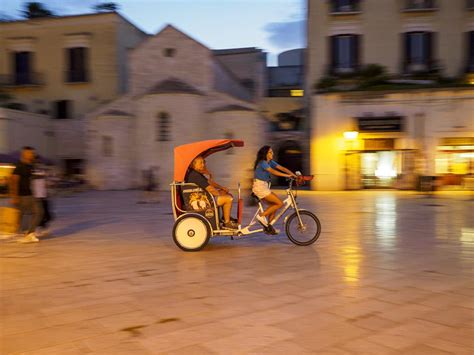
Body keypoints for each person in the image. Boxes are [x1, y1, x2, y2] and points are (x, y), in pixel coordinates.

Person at [252, 145, 296, 234]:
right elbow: (273, 171)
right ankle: (261, 216)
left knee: (274, 204)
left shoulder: (270, 162)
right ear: (266, 154)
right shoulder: (263, 162)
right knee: (279, 203)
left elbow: (282, 168)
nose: (273, 153)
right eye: (270, 152)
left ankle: (268, 227)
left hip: (264, 186)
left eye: (272, 152)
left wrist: (294, 175)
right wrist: (287, 176)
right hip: (260, 187)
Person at [186, 156, 238, 229]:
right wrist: (219, 194)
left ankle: (225, 216)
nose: (203, 165)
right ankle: (227, 223)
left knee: (225, 193)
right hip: (204, 200)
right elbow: (210, 189)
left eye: (203, 162)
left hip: (204, 196)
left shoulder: (196, 173)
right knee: (228, 198)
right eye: (200, 163)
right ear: (193, 164)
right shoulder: (195, 175)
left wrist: (221, 188)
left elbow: (209, 183)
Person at [9, 146, 44, 243]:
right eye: (30, 153)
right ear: (24, 154)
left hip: (32, 194)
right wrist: (14, 196)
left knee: (36, 212)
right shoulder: (19, 166)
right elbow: (14, 181)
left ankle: (29, 233)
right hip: (24, 195)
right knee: (36, 212)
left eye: (33, 153)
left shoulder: (31, 166)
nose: (32, 155)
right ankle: (28, 233)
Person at [32, 165, 53, 236]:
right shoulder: (34, 173)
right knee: (40, 213)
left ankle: (43, 228)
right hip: (37, 197)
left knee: (46, 213)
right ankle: (37, 228)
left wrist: (47, 192)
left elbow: (46, 185)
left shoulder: (42, 174)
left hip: (43, 196)